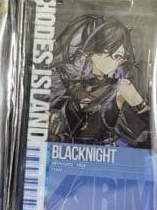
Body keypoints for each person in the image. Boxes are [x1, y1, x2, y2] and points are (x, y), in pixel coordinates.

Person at [48, 14, 150, 147]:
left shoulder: (122, 87)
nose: (117, 62)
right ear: (93, 52)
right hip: (70, 155)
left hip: (107, 155)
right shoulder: (76, 86)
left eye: (120, 57)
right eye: (114, 55)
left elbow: (148, 126)